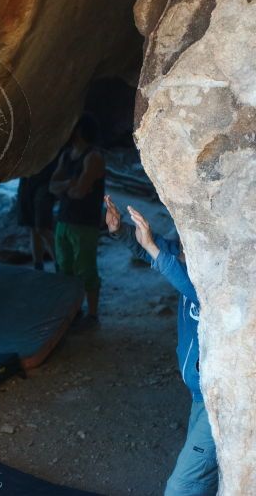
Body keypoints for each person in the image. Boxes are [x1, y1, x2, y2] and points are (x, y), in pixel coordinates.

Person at [105, 196, 217, 496]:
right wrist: (120, 231)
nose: (178, 248)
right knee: (209, 477)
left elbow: (193, 289)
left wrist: (154, 247)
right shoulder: (180, 258)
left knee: (183, 486)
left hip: (217, 400)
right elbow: (151, 251)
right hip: (199, 396)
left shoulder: (212, 279)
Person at [49, 114, 105, 329]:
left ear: (79, 131)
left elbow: (79, 192)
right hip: (64, 219)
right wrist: (70, 184)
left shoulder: (93, 157)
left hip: (84, 222)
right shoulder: (67, 155)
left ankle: (92, 316)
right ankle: (74, 312)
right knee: (64, 266)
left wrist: (66, 186)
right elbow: (52, 187)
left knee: (85, 268)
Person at [17, 156, 58, 270]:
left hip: (45, 179)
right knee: (33, 228)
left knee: (42, 227)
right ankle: (38, 267)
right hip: (27, 180)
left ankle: (61, 264)